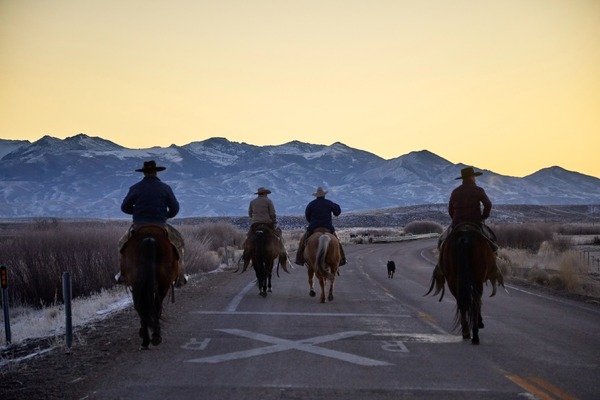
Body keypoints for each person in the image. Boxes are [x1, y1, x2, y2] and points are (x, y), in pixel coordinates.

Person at [116, 160, 187, 286]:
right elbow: (175, 208)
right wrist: (165, 215)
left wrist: (137, 212)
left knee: (122, 244)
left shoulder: (135, 188)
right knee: (178, 243)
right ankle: (180, 276)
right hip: (160, 224)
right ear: (156, 172)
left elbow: (124, 207)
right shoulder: (165, 188)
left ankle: (122, 274)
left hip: (139, 225)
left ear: (144, 173)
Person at [434, 167, 500, 280]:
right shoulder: (478, 190)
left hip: (457, 223)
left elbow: (450, 210)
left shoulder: (455, 192)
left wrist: (455, 219)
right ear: (471, 177)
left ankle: (440, 269)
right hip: (475, 223)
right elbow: (488, 204)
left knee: (441, 242)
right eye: (474, 176)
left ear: (463, 179)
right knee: (492, 243)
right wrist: (483, 217)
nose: (475, 178)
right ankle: (494, 269)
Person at [294, 186, 346, 266]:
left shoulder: (311, 204)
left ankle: (299, 259)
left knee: (303, 241)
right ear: (324, 195)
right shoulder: (329, 203)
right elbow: (337, 212)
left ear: (316, 196)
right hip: (328, 227)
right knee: (337, 242)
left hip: (314, 228)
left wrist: (312, 222)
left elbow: (307, 216)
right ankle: (342, 259)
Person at [242, 187, 287, 269]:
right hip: (267, 223)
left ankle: (246, 254)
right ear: (264, 193)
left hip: (256, 224)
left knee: (249, 237)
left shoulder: (252, 202)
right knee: (278, 235)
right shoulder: (269, 201)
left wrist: (255, 218)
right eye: (266, 193)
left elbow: (250, 213)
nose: (267, 195)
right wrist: (274, 221)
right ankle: (282, 252)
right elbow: (273, 213)